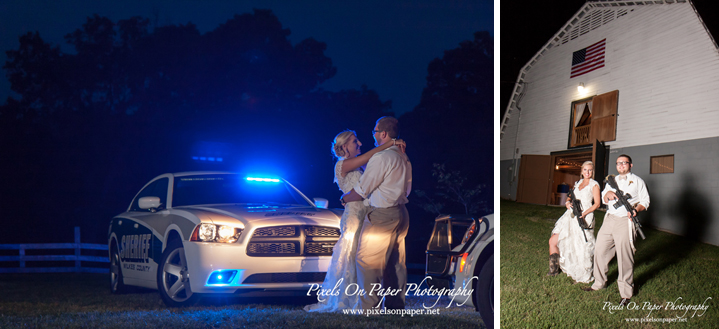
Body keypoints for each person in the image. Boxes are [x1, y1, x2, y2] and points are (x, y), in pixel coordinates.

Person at [304, 129, 405, 312]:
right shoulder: (342, 165)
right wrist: (390, 143)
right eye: (354, 141)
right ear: (344, 147)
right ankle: (347, 300)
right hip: (354, 216)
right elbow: (368, 157)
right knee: (351, 255)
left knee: (365, 257)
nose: (359, 143)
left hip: (367, 213)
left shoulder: (358, 166)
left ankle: (363, 299)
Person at [340, 116, 412, 309]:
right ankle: (396, 305)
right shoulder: (402, 156)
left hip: (382, 215)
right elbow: (407, 189)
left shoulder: (381, 158)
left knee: (368, 261)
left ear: (383, 134)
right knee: (395, 263)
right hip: (401, 213)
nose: (371, 135)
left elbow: (362, 191)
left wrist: (344, 199)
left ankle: (369, 308)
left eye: (374, 131)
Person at [582, 154, 650, 307]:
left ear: (630, 165)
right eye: (618, 163)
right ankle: (599, 283)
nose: (621, 166)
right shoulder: (612, 181)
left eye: (624, 163)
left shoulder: (638, 181)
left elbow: (645, 200)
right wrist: (607, 194)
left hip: (625, 221)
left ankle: (626, 294)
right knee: (599, 250)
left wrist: (636, 209)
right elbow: (603, 197)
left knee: (625, 256)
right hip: (610, 219)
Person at [547, 161, 600, 283]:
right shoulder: (577, 183)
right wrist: (567, 202)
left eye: (590, 170)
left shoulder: (594, 184)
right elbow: (570, 196)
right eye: (585, 170)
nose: (587, 172)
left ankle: (581, 272)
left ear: (592, 172)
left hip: (584, 216)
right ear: (581, 171)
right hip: (570, 215)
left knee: (580, 245)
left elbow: (597, 204)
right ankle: (554, 269)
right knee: (553, 241)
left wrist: (584, 213)